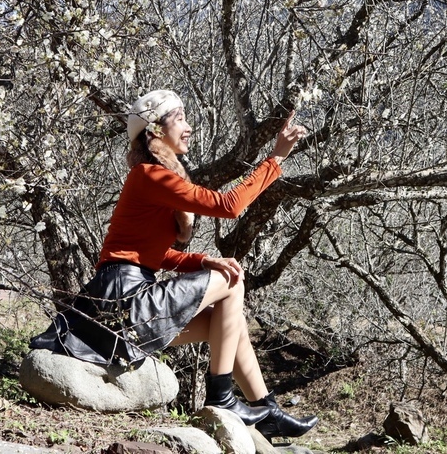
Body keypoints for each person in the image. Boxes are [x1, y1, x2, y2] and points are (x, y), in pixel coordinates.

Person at [30, 90, 318, 439]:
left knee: (226, 321)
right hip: (123, 299)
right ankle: (222, 398)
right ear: (154, 131)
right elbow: (227, 205)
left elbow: (147, 253)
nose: (189, 126)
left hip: (122, 302)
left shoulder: (152, 180)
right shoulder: (149, 175)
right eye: (179, 118)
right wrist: (275, 158)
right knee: (231, 280)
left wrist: (201, 259)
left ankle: (267, 409)